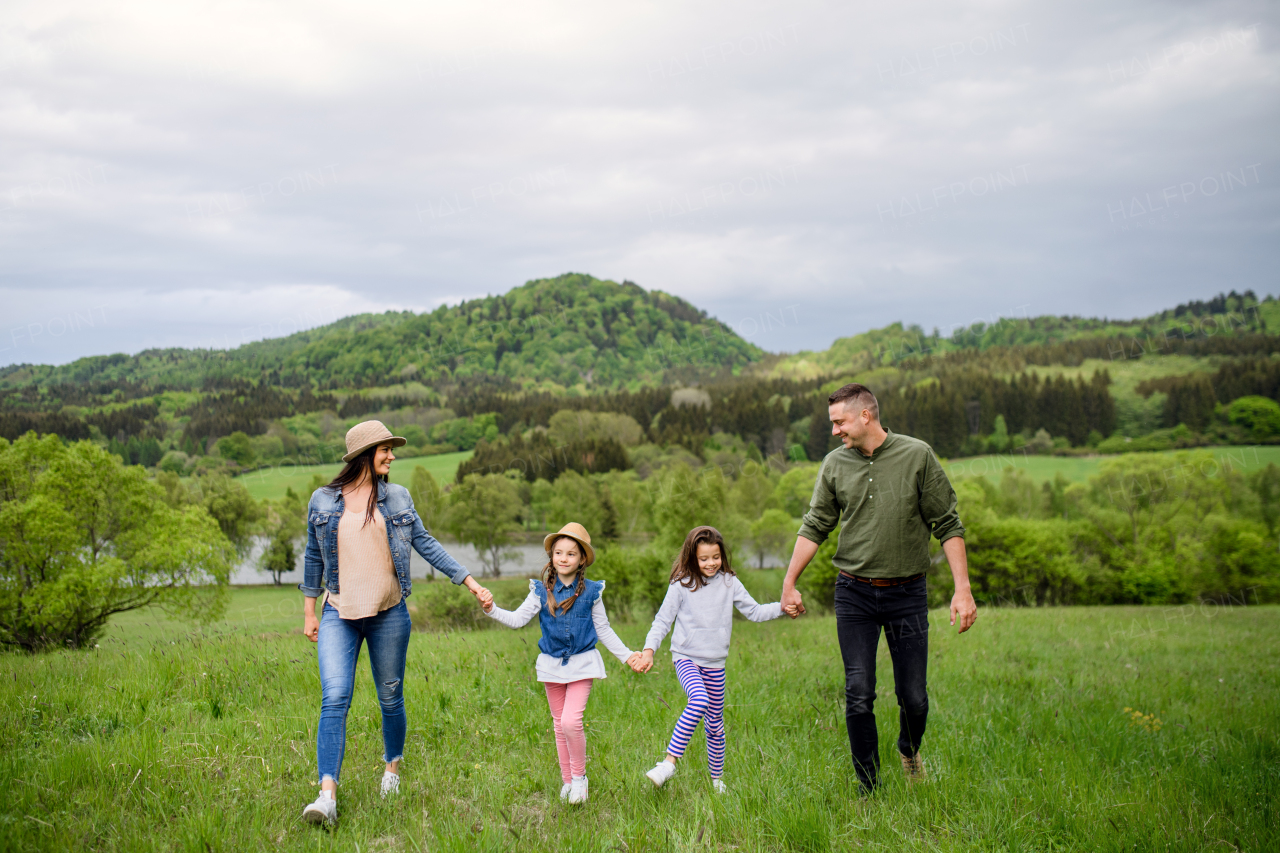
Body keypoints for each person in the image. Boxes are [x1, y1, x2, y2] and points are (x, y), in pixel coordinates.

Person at [779, 383, 977, 794]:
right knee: (858, 692)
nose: (834, 431)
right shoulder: (835, 465)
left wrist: (963, 590)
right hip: (854, 594)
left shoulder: (917, 455)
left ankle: (908, 749)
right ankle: (868, 787)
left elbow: (948, 524)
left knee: (914, 697)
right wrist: (789, 582)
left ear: (865, 416)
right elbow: (816, 524)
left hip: (907, 594)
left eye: (839, 422)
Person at [298, 420, 492, 826]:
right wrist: (309, 611)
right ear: (364, 455)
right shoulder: (323, 500)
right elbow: (313, 558)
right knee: (334, 698)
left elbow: (426, 543)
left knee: (390, 699)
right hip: (339, 615)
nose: (392, 455)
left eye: (391, 448)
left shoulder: (398, 498)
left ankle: (391, 771)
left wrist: (469, 582)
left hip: (388, 614)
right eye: (385, 449)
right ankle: (327, 795)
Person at [481, 522, 640, 805]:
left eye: (570, 554)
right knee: (558, 725)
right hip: (551, 666)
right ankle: (567, 780)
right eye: (558, 553)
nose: (563, 558)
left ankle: (580, 779)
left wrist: (628, 656)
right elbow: (518, 620)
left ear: (581, 560)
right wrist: (492, 610)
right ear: (552, 557)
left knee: (571, 721)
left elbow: (603, 630)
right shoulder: (541, 591)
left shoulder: (592, 592)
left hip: (582, 664)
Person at [632, 525, 784, 794]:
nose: (711, 563)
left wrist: (784, 607)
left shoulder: (729, 583)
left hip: (716, 663)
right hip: (686, 658)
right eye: (704, 559)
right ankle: (668, 763)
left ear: (722, 555)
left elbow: (756, 612)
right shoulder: (681, 584)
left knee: (715, 724)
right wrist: (649, 650)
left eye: (715, 557)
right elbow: (662, 621)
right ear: (692, 557)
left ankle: (717, 781)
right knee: (699, 700)